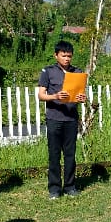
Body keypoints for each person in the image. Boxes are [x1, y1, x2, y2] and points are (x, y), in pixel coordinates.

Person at [37, 41, 85, 200]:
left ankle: (70, 186)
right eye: (63, 56)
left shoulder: (77, 72)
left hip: (71, 119)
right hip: (54, 118)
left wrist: (81, 98)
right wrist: (55, 96)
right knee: (54, 154)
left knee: (70, 155)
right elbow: (41, 95)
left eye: (69, 56)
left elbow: (79, 95)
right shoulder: (48, 72)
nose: (66, 59)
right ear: (56, 55)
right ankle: (55, 189)